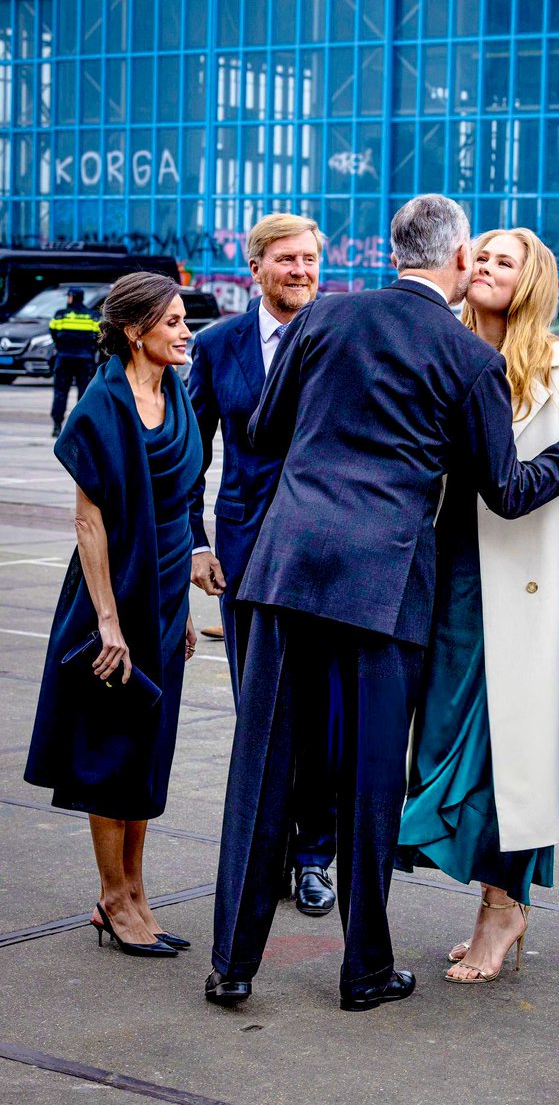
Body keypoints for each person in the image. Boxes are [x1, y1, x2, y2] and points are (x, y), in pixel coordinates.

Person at [204, 195, 559, 1012]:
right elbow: (506, 489)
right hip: (386, 583)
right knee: (368, 785)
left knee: (261, 771)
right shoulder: (467, 361)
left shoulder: (324, 318)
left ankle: (232, 966)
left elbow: (260, 430)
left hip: (288, 567)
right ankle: (363, 972)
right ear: (458, 259)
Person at [397, 227, 559, 983]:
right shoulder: (442, 355)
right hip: (446, 578)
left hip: (529, 589)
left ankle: (502, 907)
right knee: (437, 748)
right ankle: (497, 902)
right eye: (481, 255)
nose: (487, 266)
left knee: (512, 761)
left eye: (505, 259)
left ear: (533, 280)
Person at [25, 273, 203, 957]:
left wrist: (180, 603)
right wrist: (107, 621)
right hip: (110, 597)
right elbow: (88, 521)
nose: (186, 330)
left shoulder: (177, 394)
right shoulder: (100, 405)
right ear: (136, 331)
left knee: (147, 750)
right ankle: (111, 895)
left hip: (161, 595)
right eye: (174, 321)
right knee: (110, 749)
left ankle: (136, 891)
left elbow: (183, 505)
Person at [188, 212, 338, 917]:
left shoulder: (339, 338)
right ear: (256, 267)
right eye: (286, 259)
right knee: (261, 714)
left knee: (321, 714)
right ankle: (267, 852)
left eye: (309, 258)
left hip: (325, 554)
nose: (301, 271)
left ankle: (314, 856)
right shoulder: (217, 347)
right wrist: (194, 540)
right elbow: (191, 454)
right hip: (246, 555)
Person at [49, 287, 101, 438]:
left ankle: (57, 426)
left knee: (60, 392)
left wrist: (62, 346)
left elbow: (53, 333)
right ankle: (81, 426)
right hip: (85, 360)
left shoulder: (61, 315)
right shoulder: (92, 316)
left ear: (72, 297)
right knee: (84, 394)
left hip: (64, 359)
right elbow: (98, 337)